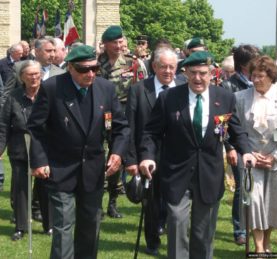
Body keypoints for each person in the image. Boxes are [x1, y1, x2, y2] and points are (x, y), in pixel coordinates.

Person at [139, 51, 256, 259]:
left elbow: (237, 130)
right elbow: (151, 132)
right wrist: (147, 155)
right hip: (177, 171)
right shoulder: (169, 98)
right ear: (185, 72)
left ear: (211, 73)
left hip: (209, 173)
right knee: (176, 222)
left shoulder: (224, 98)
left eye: (203, 73)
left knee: (203, 233)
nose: (198, 78)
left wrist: (245, 152)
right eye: (193, 73)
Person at [27, 45, 130, 259]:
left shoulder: (106, 89)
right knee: (64, 226)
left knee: (90, 226)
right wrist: (39, 160)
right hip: (60, 168)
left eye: (94, 68)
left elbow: (121, 127)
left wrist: (118, 153)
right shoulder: (52, 88)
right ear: (71, 68)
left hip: (93, 170)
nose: (90, 74)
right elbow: (36, 127)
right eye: (84, 70)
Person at [235, 55, 277, 254]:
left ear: (271, 77)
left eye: (261, 76)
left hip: (276, 162)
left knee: (270, 205)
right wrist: (248, 153)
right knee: (253, 201)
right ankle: (259, 248)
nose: (256, 80)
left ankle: (267, 243)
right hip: (251, 160)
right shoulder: (241, 98)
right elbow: (238, 130)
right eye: (253, 75)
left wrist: (274, 156)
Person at [126, 47, 183, 256]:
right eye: (163, 67)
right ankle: (152, 241)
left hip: (178, 157)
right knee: (151, 200)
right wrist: (131, 159)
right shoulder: (139, 90)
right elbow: (130, 126)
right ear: (154, 67)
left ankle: (172, 234)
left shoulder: (184, 87)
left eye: (172, 67)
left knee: (176, 200)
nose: (168, 71)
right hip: (148, 155)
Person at [98, 25, 147, 218]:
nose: (119, 45)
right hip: (100, 116)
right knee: (99, 157)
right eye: (114, 42)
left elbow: (141, 90)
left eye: (121, 42)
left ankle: (112, 203)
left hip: (122, 117)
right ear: (105, 44)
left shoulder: (132, 63)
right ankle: (97, 204)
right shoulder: (96, 63)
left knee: (116, 157)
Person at [0, 60, 53, 240]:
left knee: (45, 187)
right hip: (19, 148)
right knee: (21, 189)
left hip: (45, 148)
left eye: (37, 74)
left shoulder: (48, 93)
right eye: (30, 74)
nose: (34, 78)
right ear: (22, 77)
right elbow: (4, 125)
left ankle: (49, 225)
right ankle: (20, 227)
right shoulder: (14, 96)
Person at [221, 44, 260, 245]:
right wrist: (229, 147)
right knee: (242, 189)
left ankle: (257, 227)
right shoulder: (229, 86)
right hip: (238, 144)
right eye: (255, 60)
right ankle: (240, 229)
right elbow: (223, 122)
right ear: (245, 64)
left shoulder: (260, 83)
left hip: (258, 144)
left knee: (258, 189)